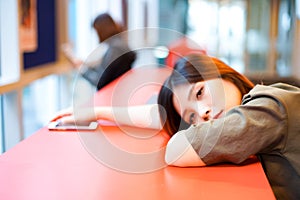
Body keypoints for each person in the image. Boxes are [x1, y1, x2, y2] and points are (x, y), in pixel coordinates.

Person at [52, 54, 300, 199]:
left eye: (200, 92)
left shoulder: (267, 110)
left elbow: (176, 150)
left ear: (220, 71)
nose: (203, 113)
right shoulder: (257, 103)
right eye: (191, 118)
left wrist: (183, 125)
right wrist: (96, 111)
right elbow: (160, 115)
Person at [62, 13, 136, 90]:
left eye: (97, 32)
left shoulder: (115, 49)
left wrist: (81, 69)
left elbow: (99, 81)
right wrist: (85, 65)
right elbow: (105, 70)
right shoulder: (119, 44)